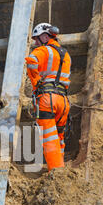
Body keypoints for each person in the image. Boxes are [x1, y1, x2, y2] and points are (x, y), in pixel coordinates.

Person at [25, 22, 71, 171]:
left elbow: (31, 61)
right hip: (63, 101)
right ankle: (60, 168)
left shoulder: (45, 51)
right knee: (59, 138)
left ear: (45, 36)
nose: (36, 44)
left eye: (37, 39)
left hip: (47, 99)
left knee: (49, 139)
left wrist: (36, 82)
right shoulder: (66, 54)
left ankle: (56, 171)